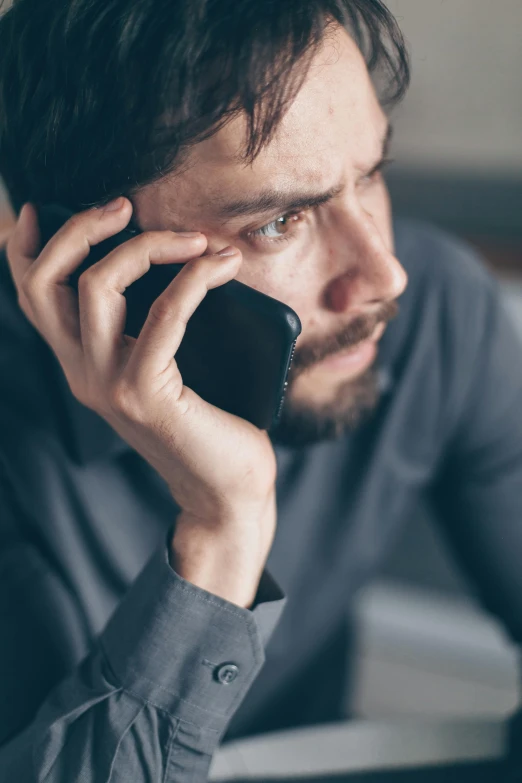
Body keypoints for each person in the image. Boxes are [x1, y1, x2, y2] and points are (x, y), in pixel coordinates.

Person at [0, 0, 521, 780]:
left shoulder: (438, 312)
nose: (383, 277)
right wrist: (221, 525)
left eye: (372, 173)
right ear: (90, 258)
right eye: (280, 221)